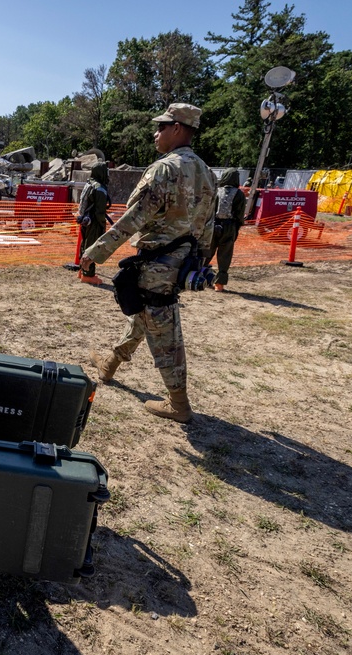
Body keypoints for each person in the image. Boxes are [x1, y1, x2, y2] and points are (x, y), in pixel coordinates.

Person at [81, 103, 216, 423]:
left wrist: (95, 253)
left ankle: (179, 404)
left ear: (179, 128)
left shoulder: (165, 168)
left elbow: (133, 218)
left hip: (158, 264)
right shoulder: (207, 173)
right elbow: (209, 224)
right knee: (144, 317)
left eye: (161, 127)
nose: (156, 133)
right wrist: (199, 263)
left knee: (165, 335)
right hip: (183, 265)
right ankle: (110, 364)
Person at [208, 168, 246, 292]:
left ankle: (200, 277)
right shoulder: (239, 194)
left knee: (207, 252)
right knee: (225, 255)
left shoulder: (216, 191)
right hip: (229, 226)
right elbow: (240, 215)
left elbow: (209, 210)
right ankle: (219, 284)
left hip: (214, 225)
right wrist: (236, 228)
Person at [76, 161, 111, 285]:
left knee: (84, 244)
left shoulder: (89, 183)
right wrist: (103, 223)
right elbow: (100, 211)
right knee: (91, 247)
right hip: (94, 222)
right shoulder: (100, 188)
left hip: (85, 219)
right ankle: (88, 274)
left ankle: (82, 270)